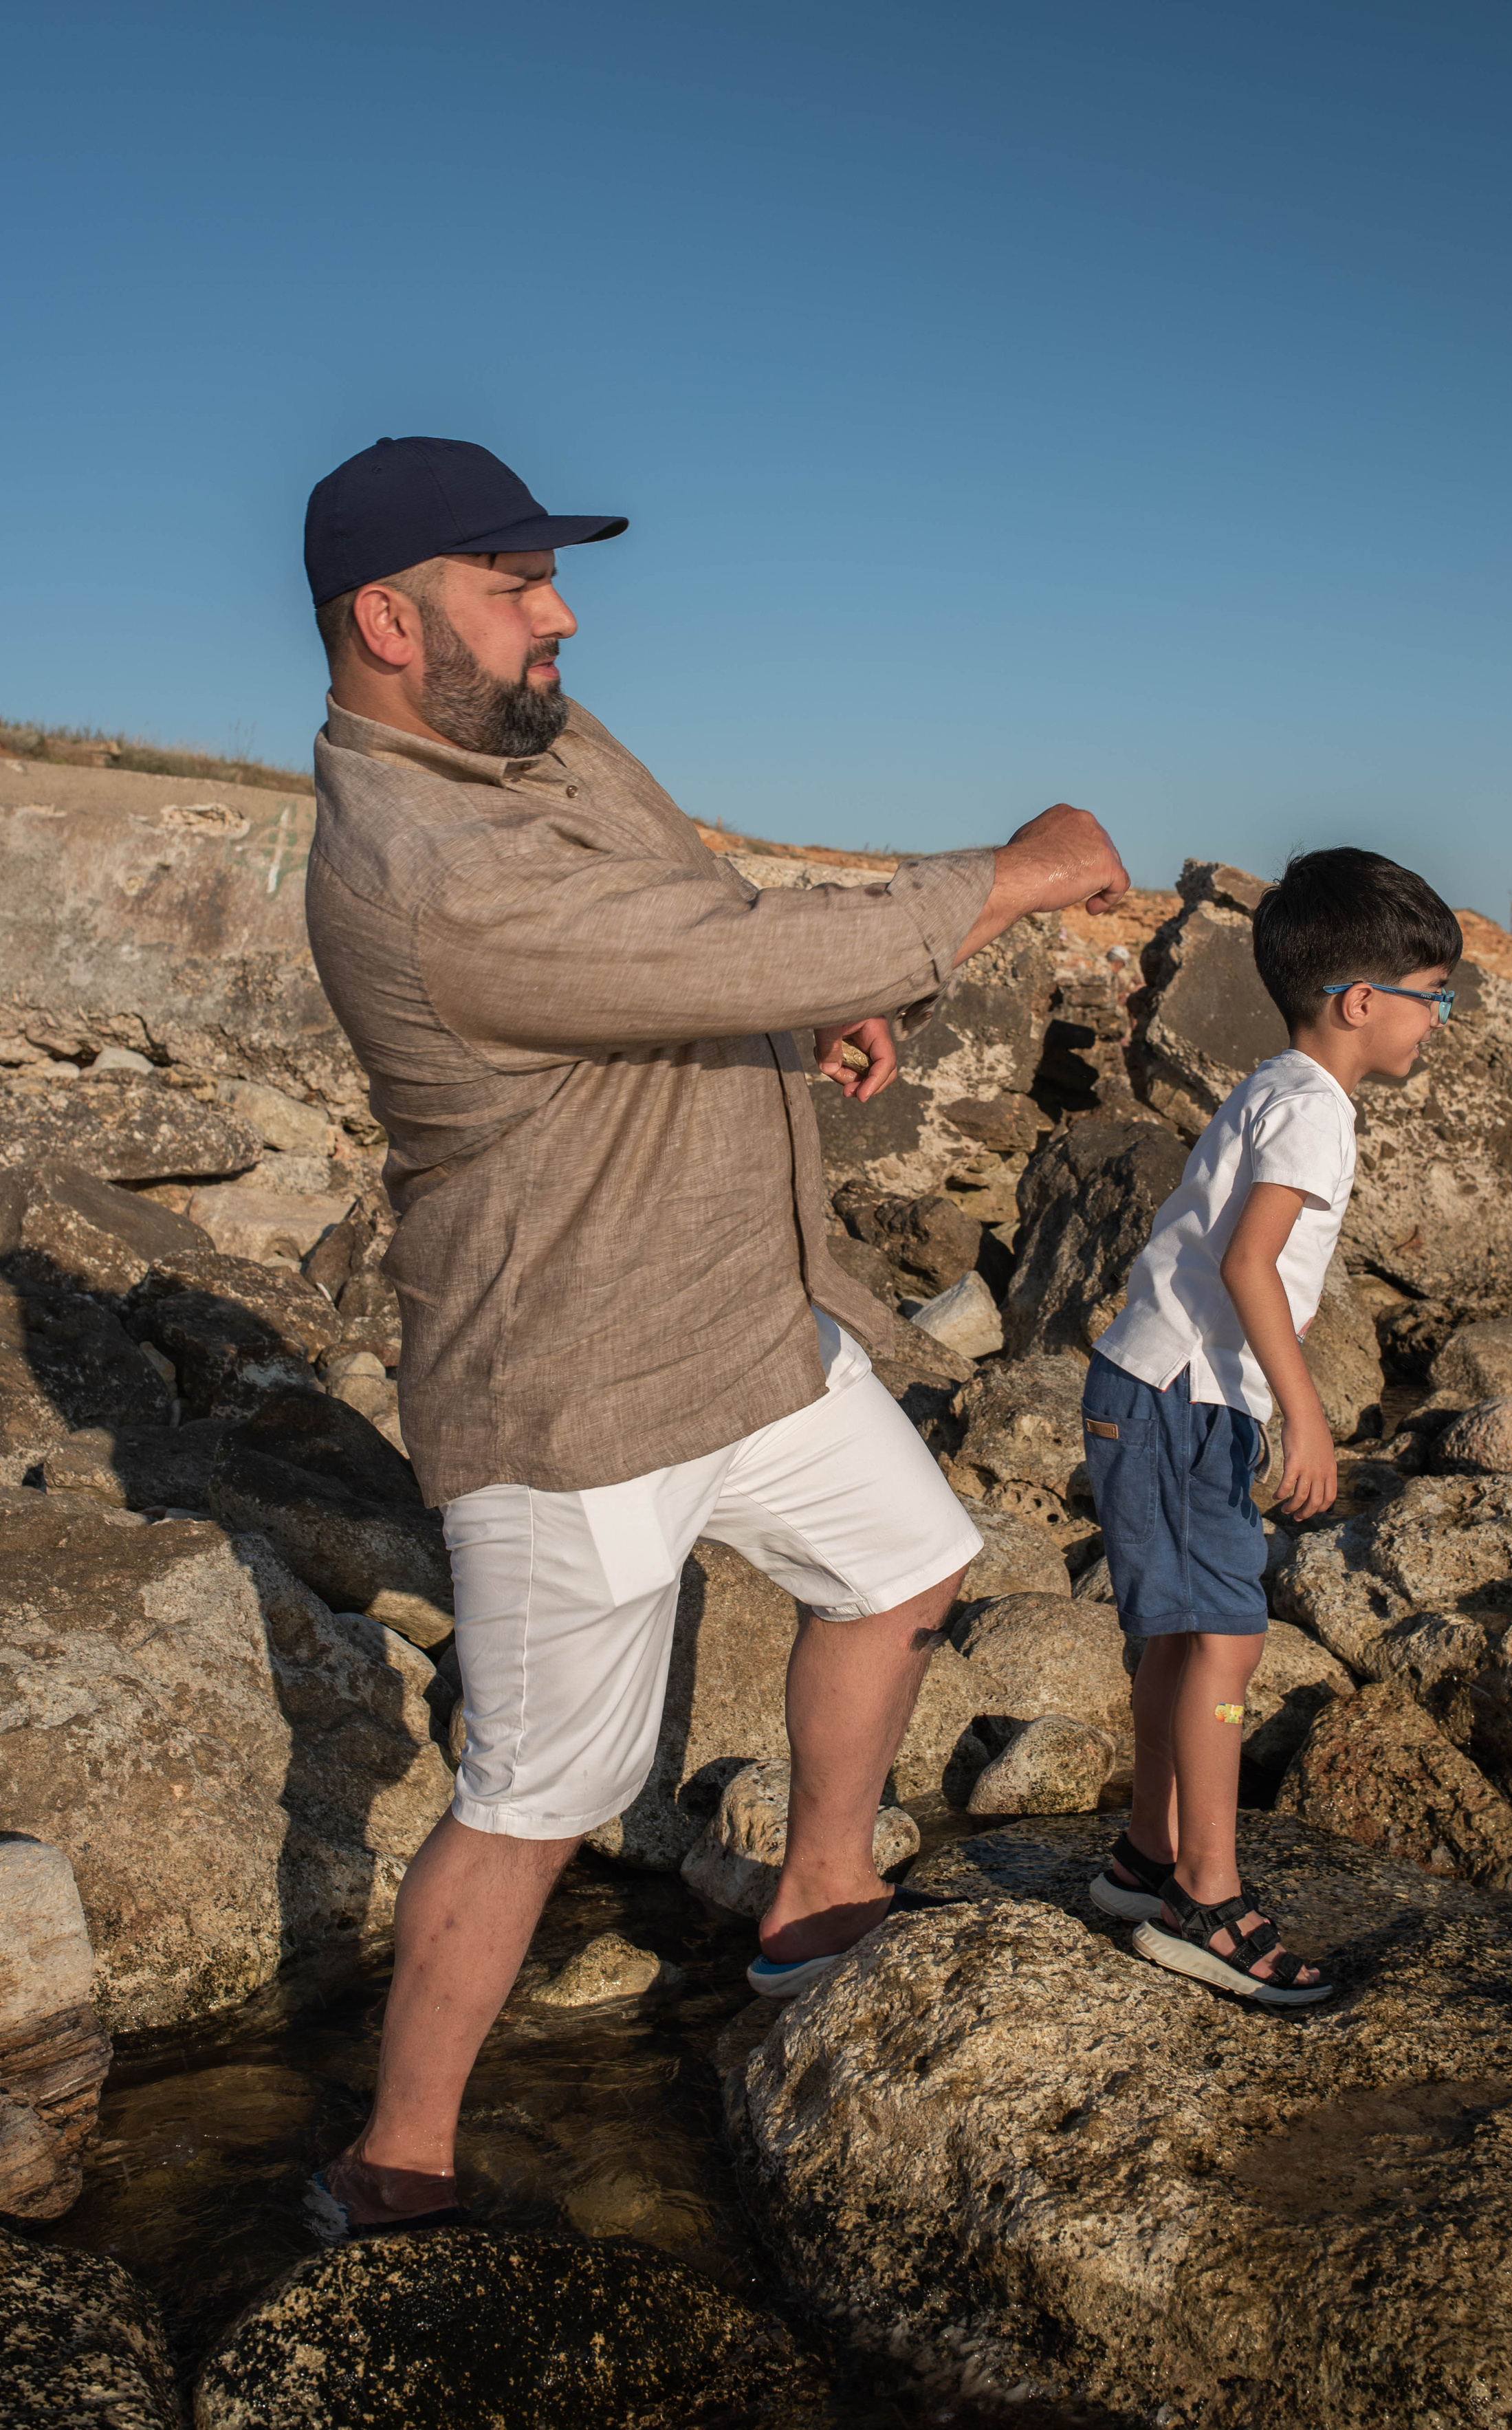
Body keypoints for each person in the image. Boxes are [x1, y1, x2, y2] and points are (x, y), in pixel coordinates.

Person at [296, 435, 1130, 2233]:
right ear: (386, 617)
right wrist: (1008, 873)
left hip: (750, 1311)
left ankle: (817, 1881)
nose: (559, 612)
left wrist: (799, 1018)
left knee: (906, 1564)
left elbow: (691, 926)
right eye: (514, 583)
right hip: (577, 1383)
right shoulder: (422, 861)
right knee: (534, 1796)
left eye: (549, 576)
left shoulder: (534, 729)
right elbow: (681, 954)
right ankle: (401, 2152)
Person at [1082, 848, 1461, 2004]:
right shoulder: (1317, 1112)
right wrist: (1305, 1417)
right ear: (1363, 1001)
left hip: (1142, 1389)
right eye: (1432, 996)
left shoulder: (1272, 1083)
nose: (1437, 1022)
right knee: (1231, 1643)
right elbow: (1251, 1262)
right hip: (1190, 1399)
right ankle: (1208, 1894)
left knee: (1189, 1636)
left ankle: (1148, 1854)